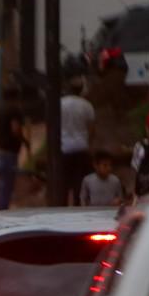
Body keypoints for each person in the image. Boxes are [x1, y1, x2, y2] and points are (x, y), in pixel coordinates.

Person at [0, 86, 28, 210]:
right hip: (9, 152)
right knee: (7, 185)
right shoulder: (14, 110)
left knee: (2, 184)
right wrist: (24, 141)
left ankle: (1, 208)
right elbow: (15, 128)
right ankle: (2, 211)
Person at [60, 76, 95, 206]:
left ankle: (61, 206)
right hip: (81, 147)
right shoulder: (87, 105)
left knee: (64, 182)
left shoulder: (60, 103)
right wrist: (88, 144)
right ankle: (76, 206)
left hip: (64, 148)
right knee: (78, 182)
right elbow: (91, 129)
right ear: (81, 90)